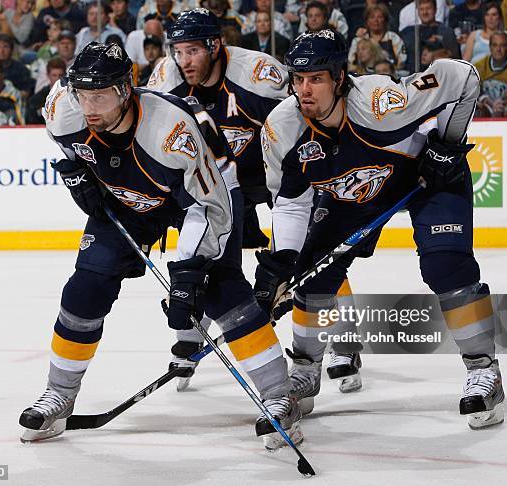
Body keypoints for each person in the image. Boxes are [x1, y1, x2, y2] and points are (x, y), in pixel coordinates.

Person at [18, 42, 301, 450]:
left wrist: (188, 271)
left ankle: (280, 396)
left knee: (222, 292)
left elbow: (209, 207)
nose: (89, 106)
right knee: (85, 288)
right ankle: (59, 395)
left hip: (207, 194)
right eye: (82, 94)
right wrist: (76, 171)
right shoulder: (65, 107)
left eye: (100, 95)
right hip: (127, 200)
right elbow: (66, 144)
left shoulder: (171, 132)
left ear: (125, 90)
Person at [256, 29, 505, 429]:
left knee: (446, 266)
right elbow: (290, 203)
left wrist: (448, 144)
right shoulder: (282, 127)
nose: (304, 90)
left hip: (425, 177)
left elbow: (461, 76)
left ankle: (484, 369)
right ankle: (304, 372)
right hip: (351, 194)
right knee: (312, 276)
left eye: (316, 79)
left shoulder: (378, 104)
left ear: (339, 78)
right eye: (298, 79)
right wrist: (283, 265)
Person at [145, 7, 288, 387]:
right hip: (214, 183)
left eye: (192, 51)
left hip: (267, 173)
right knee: (205, 259)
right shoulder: (167, 79)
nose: (183, 61)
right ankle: (189, 342)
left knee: (311, 253)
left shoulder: (257, 76)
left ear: (215, 45)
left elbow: (300, 129)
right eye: (177, 51)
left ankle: (340, 342)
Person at [400, 0, 460, 73]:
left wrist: (435, 54)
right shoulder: (408, 32)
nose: (425, 12)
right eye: (421, 9)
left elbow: (456, 59)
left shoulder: (446, 32)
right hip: (409, 76)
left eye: (428, 8)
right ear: (417, 12)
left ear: (435, 10)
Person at [349, 4, 407, 73]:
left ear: (385, 20)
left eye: (380, 17)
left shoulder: (393, 38)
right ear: (367, 21)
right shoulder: (358, 40)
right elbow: (352, 62)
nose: (376, 20)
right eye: (372, 17)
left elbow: (401, 61)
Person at [0, 33, 35, 98]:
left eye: (6, 46)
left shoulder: (21, 69)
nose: (2, 51)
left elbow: (26, 93)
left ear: (11, 49)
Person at [26, 56, 65, 123]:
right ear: (48, 75)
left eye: (61, 75)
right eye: (54, 75)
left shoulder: (73, 96)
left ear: (65, 75)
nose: (58, 79)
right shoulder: (36, 100)